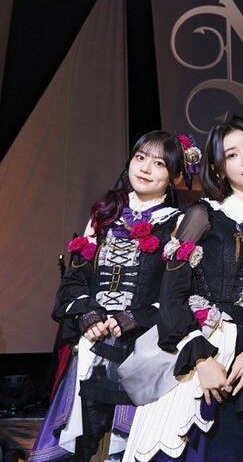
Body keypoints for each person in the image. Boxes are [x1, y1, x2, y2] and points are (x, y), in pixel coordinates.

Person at [122, 113, 243, 461]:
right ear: (218, 168)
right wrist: (201, 358)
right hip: (199, 357)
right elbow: (171, 294)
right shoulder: (203, 215)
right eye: (232, 154)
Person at [30, 130, 191, 461]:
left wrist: (136, 317)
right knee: (76, 449)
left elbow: (180, 292)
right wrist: (88, 315)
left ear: (174, 176)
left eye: (159, 163)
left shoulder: (178, 226)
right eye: (140, 157)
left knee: (129, 450)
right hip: (92, 352)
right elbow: (75, 279)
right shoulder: (104, 218)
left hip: (142, 357)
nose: (145, 168)